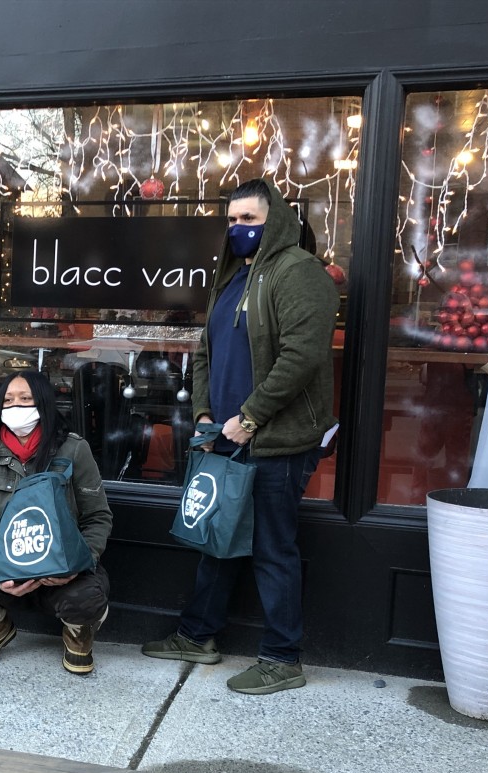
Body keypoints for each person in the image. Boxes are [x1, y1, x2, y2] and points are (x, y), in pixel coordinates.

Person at [141, 178, 338, 694]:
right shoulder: (233, 277)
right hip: (225, 435)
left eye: (248, 220)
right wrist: (207, 414)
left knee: (273, 548)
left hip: (275, 441)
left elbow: (303, 357)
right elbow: (205, 352)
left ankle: (281, 657)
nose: (237, 229)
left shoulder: (300, 272)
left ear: (274, 222)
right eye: (231, 220)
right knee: (217, 540)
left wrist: (249, 418)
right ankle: (198, 636)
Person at [0, 370, 113, 675]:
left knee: (89, 596)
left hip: (62, 575)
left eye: (25, 399)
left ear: (42, 402)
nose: (15, 406)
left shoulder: (73, 449)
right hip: (10, 571)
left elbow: (98, 517)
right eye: (7, 400)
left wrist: (76, 565)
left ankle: (77, 633)